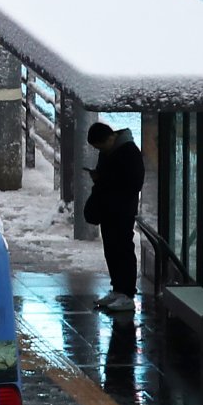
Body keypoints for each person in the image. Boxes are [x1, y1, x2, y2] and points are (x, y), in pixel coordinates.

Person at [84, 122, 143, 314]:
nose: (99, 150)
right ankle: (118, 288)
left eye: (100, 146)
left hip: (122, 209)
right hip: (108, 208)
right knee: (111, 249)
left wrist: (104, 180)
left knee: (124, 248)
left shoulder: (129, 152)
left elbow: (133, 183)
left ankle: (127, 293)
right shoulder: (108, 152)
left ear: (110, 138)